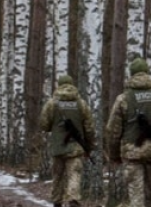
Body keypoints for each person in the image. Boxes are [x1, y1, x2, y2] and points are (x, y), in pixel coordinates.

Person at [106, 57, 151, 207]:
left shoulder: (123, 99)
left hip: (132, 153)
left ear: (132, 74)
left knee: (136, 199)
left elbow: (113, 131)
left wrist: (114, 155)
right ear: (148, 74)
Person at [39, 74, 96, 207]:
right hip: (76, 147)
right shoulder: (81, 103)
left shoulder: (52, 103)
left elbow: (44, 124)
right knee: (74, 174)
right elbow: (89, 128)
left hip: (57, 147)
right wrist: (89, 146)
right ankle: (73, 199)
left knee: (57, 176)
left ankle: (57, 201)